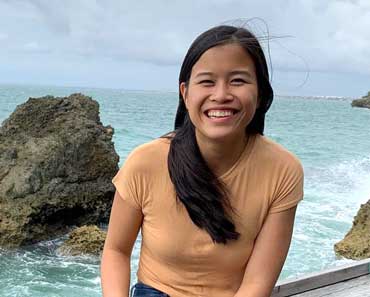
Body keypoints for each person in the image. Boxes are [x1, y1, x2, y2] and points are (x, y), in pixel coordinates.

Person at [101, 24, 304, 297]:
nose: (221, 95)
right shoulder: (145, 162)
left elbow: (257, 283)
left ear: (260, 93)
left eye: (238, 80)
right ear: (185, 93)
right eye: (207, 81)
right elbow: (116, 251)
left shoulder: (283, 170)